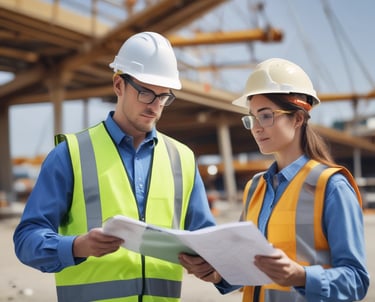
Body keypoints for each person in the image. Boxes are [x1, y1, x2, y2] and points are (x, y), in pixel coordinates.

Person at [13, 31, 216, 302]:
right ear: (119, 85)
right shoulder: (70, 154)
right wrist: (77, 246)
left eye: (164, 96)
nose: (155, 106)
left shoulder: (183, 159)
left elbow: (209, 242)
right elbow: (27, 241)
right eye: (145, 93)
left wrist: (211, 263)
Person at [179, 58, 370, 301]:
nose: (256, 127)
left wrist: (301, 276)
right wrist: (217, 275)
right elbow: (247, 270)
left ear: (298, 118)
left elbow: (356, 281)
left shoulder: (331, 186)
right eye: (252, 118)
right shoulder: (254, 188)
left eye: (266, 116)